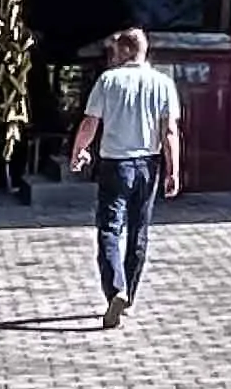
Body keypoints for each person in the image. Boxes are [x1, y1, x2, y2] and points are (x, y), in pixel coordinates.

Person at [68, 26, 183, 327]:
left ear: (125, 51)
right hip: (148, 164)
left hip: (114, 164)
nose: (113, 55)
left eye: (116, 50)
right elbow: (169, 131)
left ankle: (115, 289)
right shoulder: (163, 83)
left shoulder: (108, 81)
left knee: (109, 229)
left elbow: (90, 122)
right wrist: (174, 170)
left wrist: (79, 150)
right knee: (138, 231)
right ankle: (129, 295)